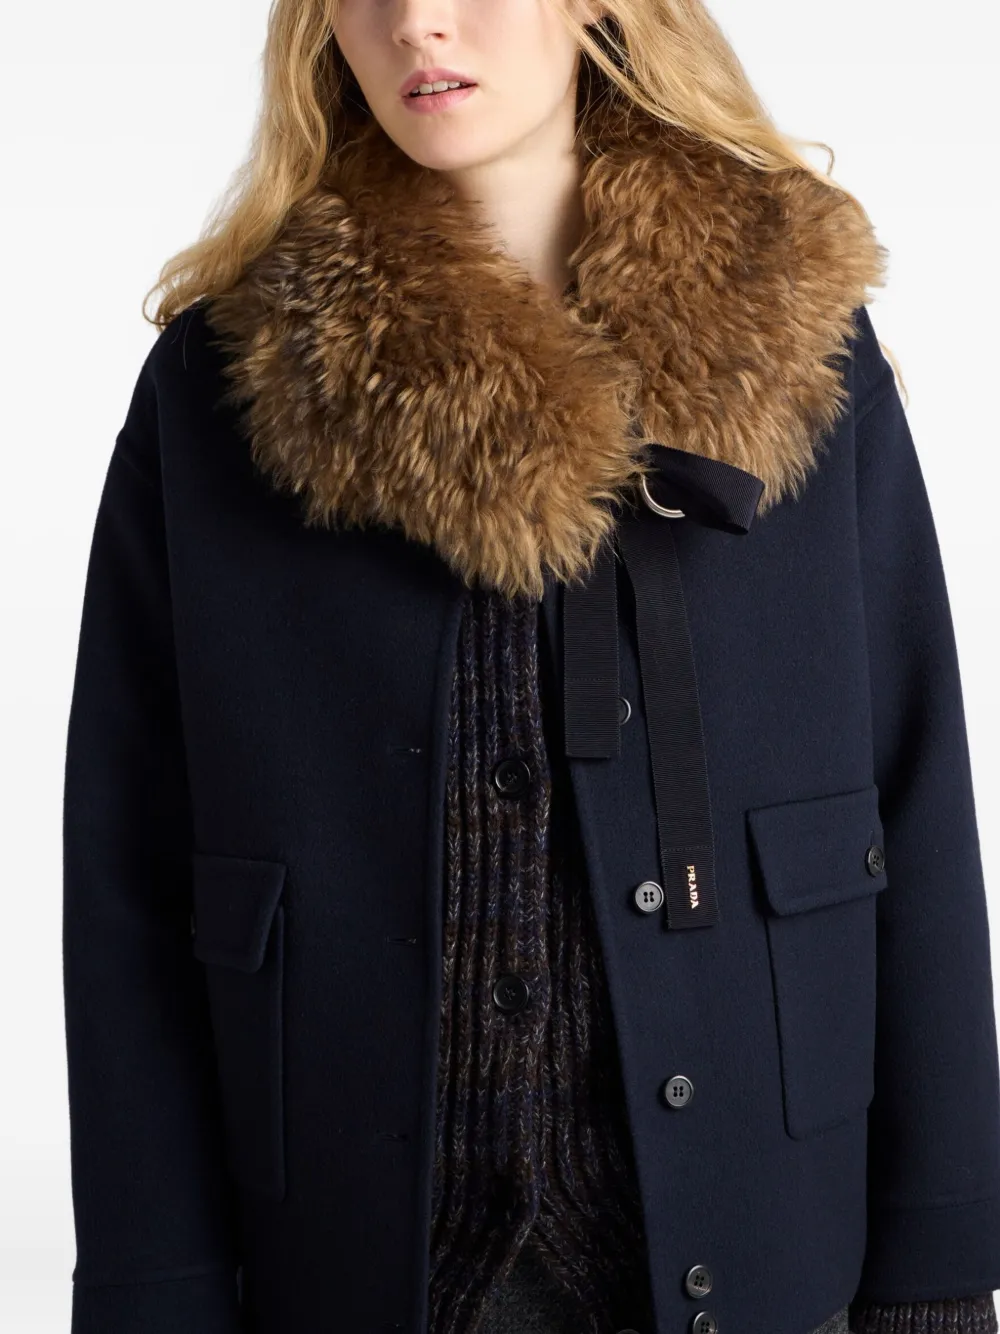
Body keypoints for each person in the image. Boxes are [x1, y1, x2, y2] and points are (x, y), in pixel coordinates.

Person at [61, 1, 1000, 1332]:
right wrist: (153, 1293)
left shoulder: (796, 346)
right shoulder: (222, 384)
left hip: (759, 1230)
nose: (416, 25)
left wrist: (941, 1266)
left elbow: (917, 792)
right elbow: (127, 869)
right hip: (345, 1252)